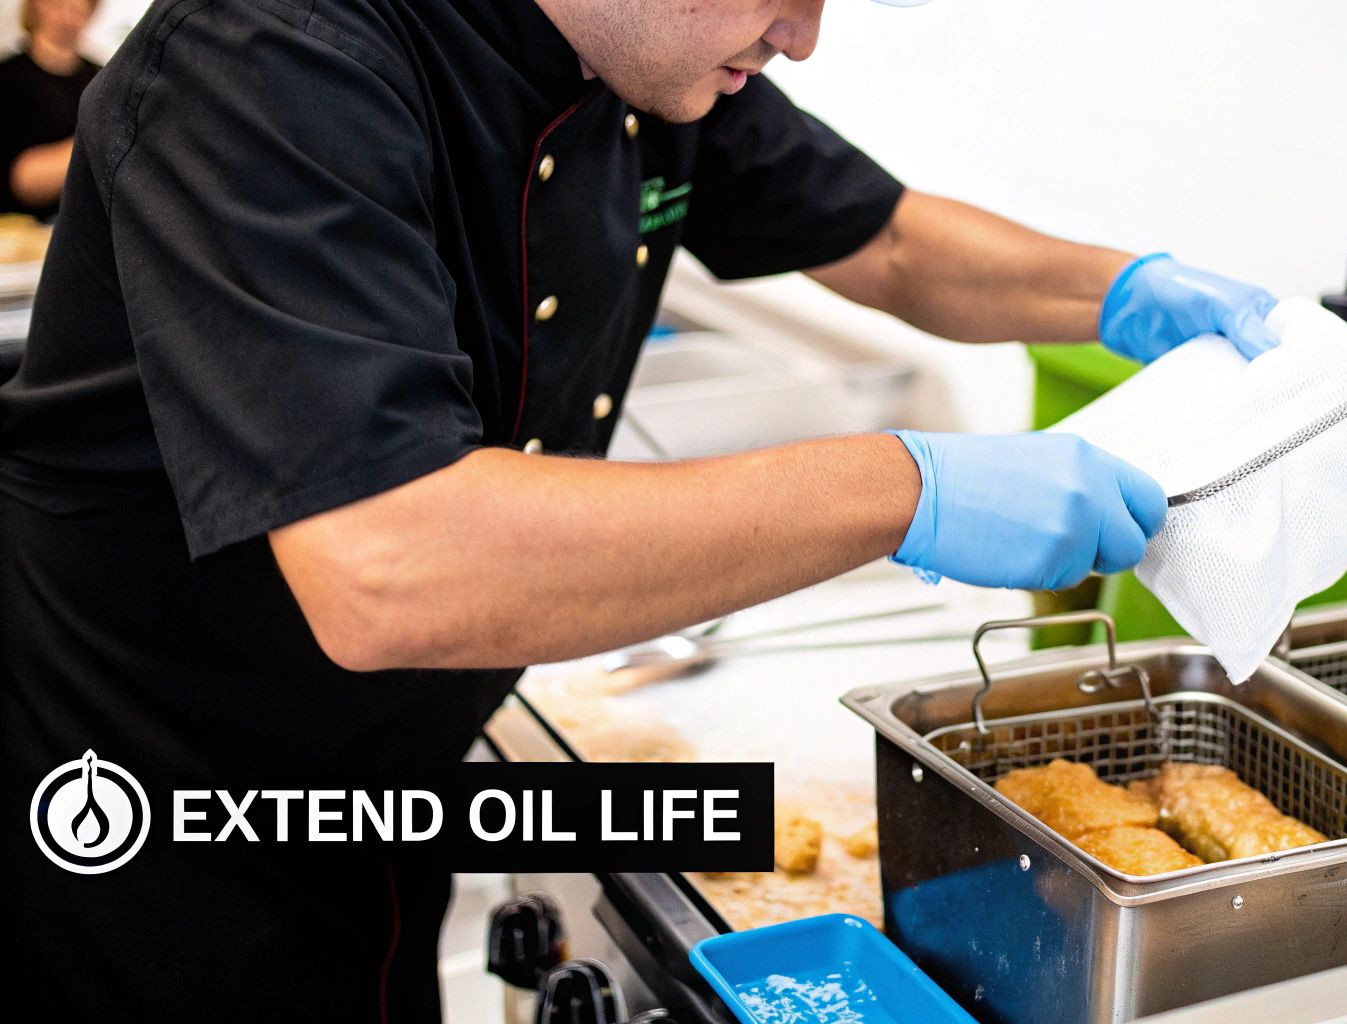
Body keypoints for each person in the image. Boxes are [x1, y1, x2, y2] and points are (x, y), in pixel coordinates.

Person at [0, 0, 1280, 1017]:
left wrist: (1133, 291)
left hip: (385, 760)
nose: (802, 33)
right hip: (145, 794)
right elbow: (389, 563)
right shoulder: (270, 58)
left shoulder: (645, 63)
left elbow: (885, 241)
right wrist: (902, 486)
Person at [0, 0, 99, 220]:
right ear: (35, 7)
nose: (67, 17)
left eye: (77, 9)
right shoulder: (9, 78)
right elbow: (22, 181)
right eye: (57, 6)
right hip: (22, 227)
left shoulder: (100, 80)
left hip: (82, 223)